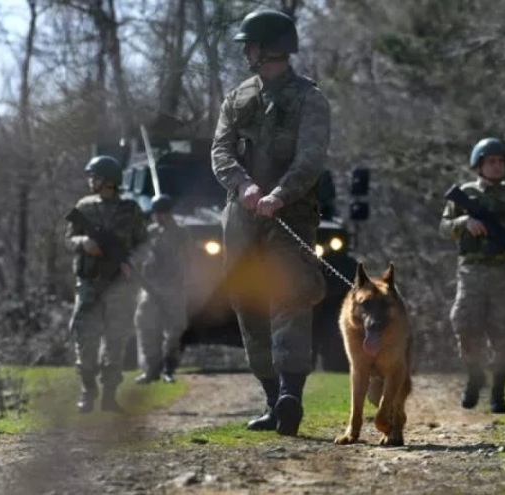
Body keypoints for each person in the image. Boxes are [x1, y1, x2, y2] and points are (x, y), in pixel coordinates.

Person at [211, 8, 330, 436]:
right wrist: (243, 187)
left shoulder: (309, 98)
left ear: (267, 48)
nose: (246, 52)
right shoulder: (237, 97)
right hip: (241, 218)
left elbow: (311, 158)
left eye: (251, 45)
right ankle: (270, 400)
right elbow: (220, 151)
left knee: (290, 299)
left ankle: (291, 396)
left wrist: (280, 194)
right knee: (247, 303)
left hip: (291, 217)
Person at [439, 138, 505, 414]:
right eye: (490, 161)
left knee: (500, 333)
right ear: (479, 165)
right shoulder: (466, 193)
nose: (496, 166)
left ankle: (498, 393)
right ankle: (474, 376)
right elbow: (444, 227)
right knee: (464, 324)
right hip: (471, 270)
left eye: (500, 161)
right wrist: (464, 223)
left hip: (504, 273)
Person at [65, 155, 147, 413]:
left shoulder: (131, 210)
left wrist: (130, 263)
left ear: (108, 181)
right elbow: (68, 239)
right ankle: (88, 391)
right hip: (89, 284)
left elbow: (143, 245)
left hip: (119, 286)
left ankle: (109, 395)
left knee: (116, 341)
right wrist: (83, 243)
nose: (91, 181)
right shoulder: (84, 207)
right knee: (85, 339)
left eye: (95, 177)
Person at [133, 194, 190, 384]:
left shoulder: (180, 233)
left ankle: (169, 369)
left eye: (162, 213)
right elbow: (141, 253)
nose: (158, 217)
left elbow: (185, 257)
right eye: (156, 214)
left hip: (173, 286)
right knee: (145, 325)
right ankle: (150, 370)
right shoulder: (151, 232)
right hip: (151, 286)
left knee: (174, 330)